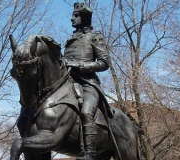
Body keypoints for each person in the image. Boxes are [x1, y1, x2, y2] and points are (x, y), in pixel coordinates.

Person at [64, 2, 113, 160]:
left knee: (86, 112)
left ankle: (89, 154)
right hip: (69, 83)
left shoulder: (94, 37)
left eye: (76, 15)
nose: (72, 18)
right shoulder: (71, 40)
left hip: (88, 84)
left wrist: (79, 65)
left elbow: (104, 63)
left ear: (84, 18)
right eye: (73, 15)